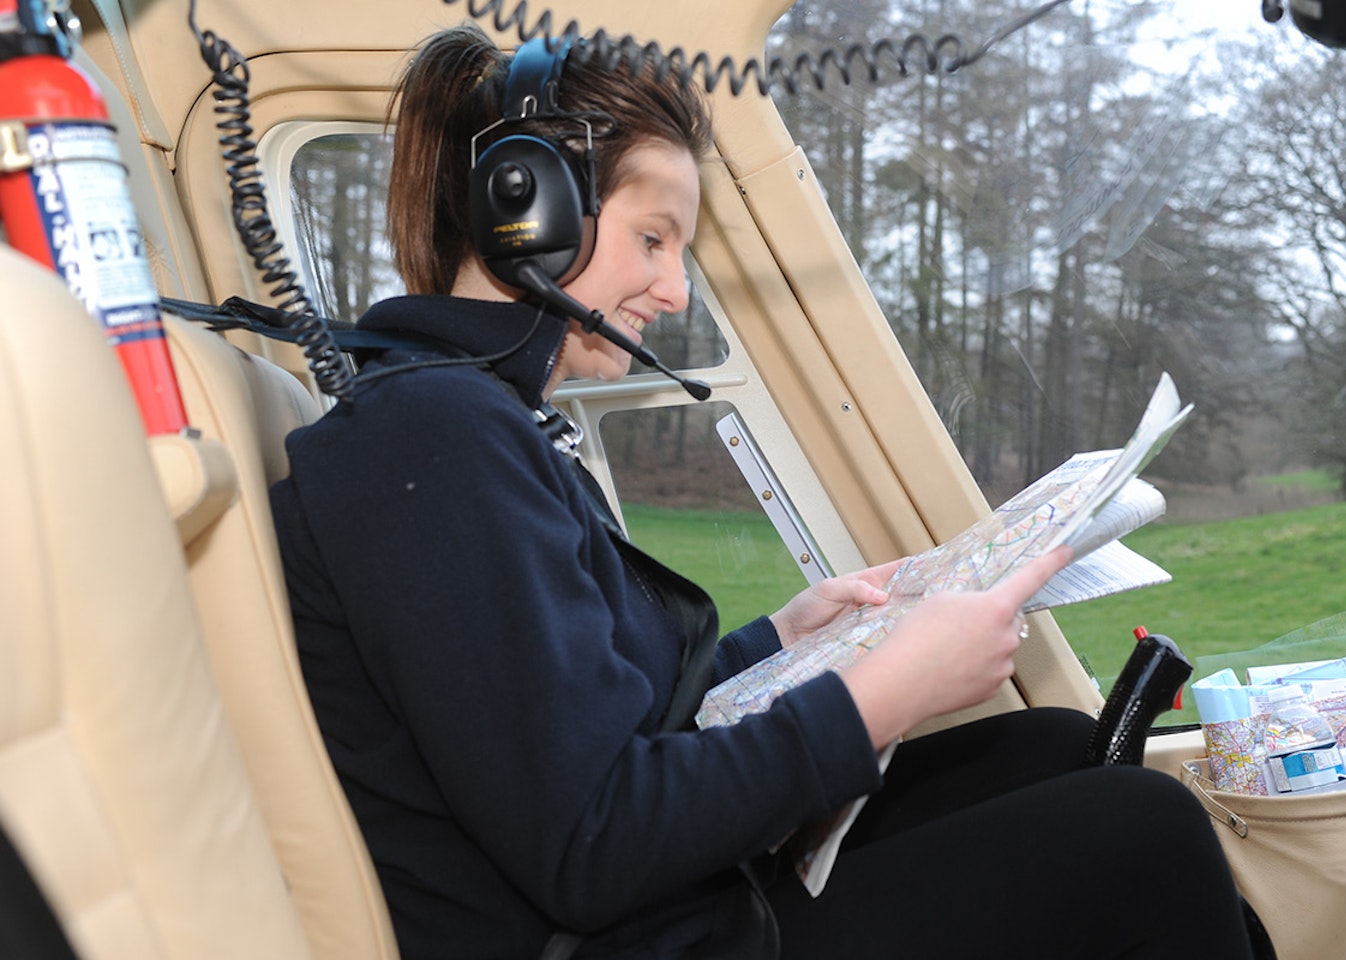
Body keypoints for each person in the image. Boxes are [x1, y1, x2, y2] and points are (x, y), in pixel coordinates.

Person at [269, 22, 1257, 960]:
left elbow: (587, 717)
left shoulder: (482, 423)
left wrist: (780, 641)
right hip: (624, 934)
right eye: (653, 240)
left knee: (1049, 743)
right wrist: (883, 692)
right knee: (1148, 832)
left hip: (660, 914)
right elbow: (593, 843)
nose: (675, 293)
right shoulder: (434, 440)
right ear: (530, 212)